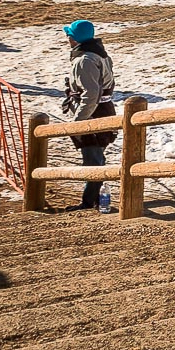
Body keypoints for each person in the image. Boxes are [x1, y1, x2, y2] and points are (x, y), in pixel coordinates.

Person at [61, 20, 117, 211]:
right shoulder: (99, 54)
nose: (67, 38)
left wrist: (79, 121)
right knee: (96, 156)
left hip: (93, 113)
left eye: (69, 35)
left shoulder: (84, 60)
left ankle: (89, 201)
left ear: (74, 38)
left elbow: (91, 94)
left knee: (93, 158)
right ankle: (94, 198)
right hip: (102, 109)